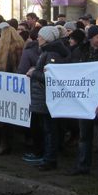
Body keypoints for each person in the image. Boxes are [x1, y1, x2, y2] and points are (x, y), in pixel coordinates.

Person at [67, 25, 98, 180]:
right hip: (84, 99)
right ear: (91, 38)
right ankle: (83, 166)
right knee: (84, 135)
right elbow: (69, 68)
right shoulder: (79, 51)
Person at [25, 26, 70, 169]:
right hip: (44, 96)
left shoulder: (52, 53)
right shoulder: (48, 51)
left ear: (47, 38)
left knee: (50, 130)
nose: (38, 38)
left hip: (47, 97)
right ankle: (47, 157)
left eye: (40, 36)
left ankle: (49, 159)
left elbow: (51, 77)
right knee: (48, 129)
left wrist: (33, 73)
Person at [0, 24, 25, 155]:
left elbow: (12, 67)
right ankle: (4, 143)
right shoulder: (19, 46)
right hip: (11, 85)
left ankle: (4, 144)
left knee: (5, 116)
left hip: (8, 86)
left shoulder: (9, 49)